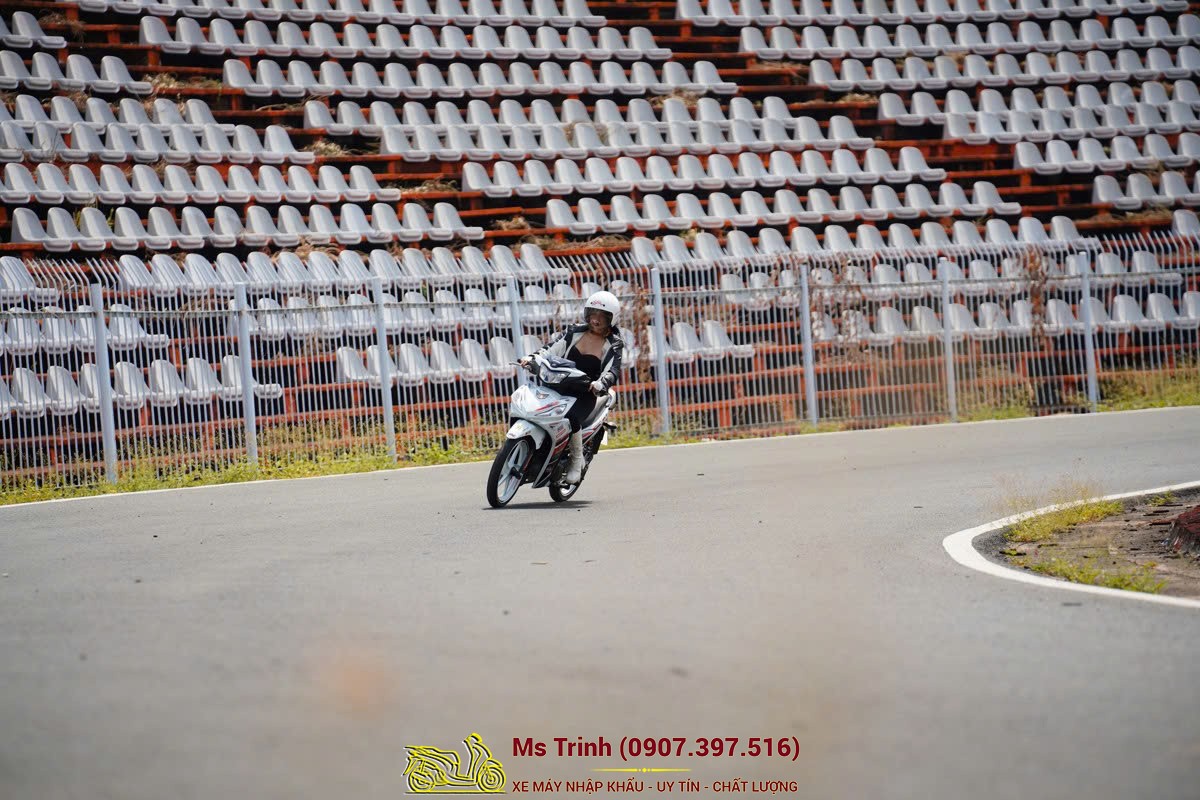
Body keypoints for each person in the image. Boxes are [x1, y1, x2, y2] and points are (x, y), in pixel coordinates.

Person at [519, 291, 624, 484]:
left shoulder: (614, 344)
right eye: (592, 313)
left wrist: (601, 383)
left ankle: (576, 460)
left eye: (602, 316)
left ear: (612, 319)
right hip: (558, 384)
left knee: (571, 418)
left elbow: (612, 370)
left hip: (586, 393)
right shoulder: (574, 331)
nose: (595, 320)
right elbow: (550, 349)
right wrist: (532, 358)